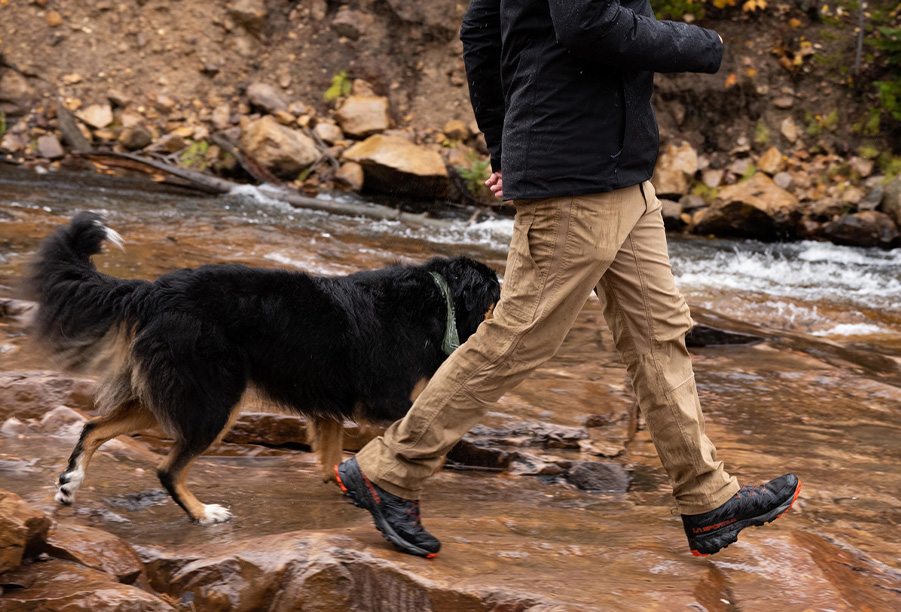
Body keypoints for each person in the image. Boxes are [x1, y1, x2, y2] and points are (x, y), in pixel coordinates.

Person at [335, 0, 800, 558]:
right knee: (519, 336)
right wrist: (702, 45)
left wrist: (504, 143)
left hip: (623, 173)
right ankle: (389, 470)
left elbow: (481, 28)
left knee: (659, 335)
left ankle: (706, 499)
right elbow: (588, 22)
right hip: (574, 174)